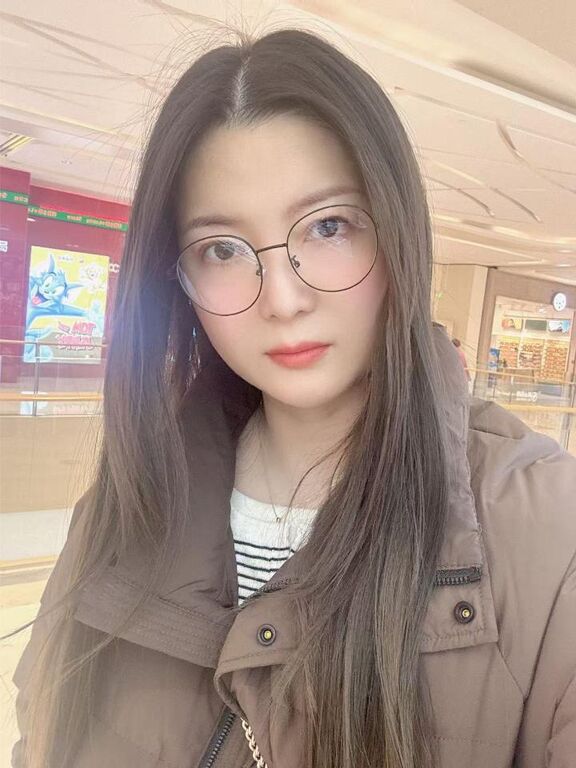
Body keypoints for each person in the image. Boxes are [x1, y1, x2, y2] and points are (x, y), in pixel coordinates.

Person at [8, 28, 576, 768]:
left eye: (328, 227)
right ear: (176, 279)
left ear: (396, 234)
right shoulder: (127, 504)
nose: (281, 297)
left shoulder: (548, 533)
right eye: (222, 249)